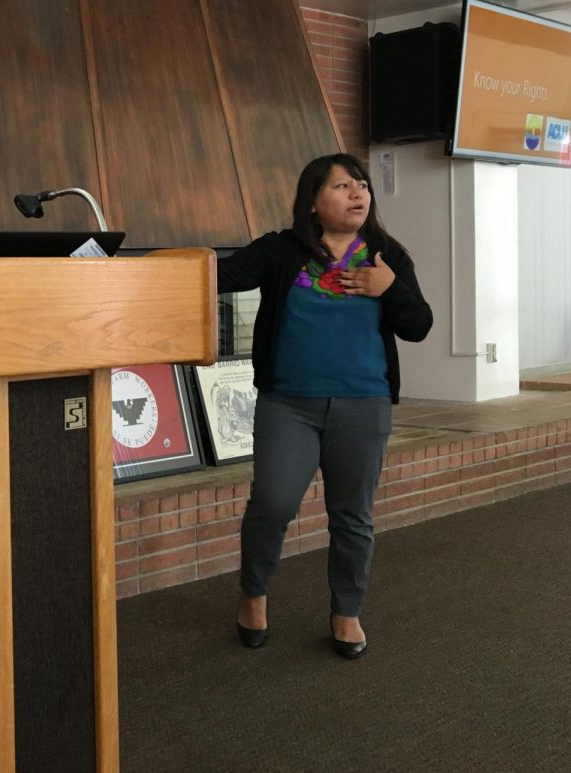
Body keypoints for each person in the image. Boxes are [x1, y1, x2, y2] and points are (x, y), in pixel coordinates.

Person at [217, 153, 432, 658]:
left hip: (363, 404)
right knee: (272, 504)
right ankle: (253, 592)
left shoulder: (385, 256)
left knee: (352, 515)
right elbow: (219, 275)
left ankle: (346, 611)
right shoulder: (281, 250)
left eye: (362, 184)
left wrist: (390, 288)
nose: (358, 193)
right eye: (341, 186)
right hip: (288, 404)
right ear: (313, 202)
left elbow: (418, 326)